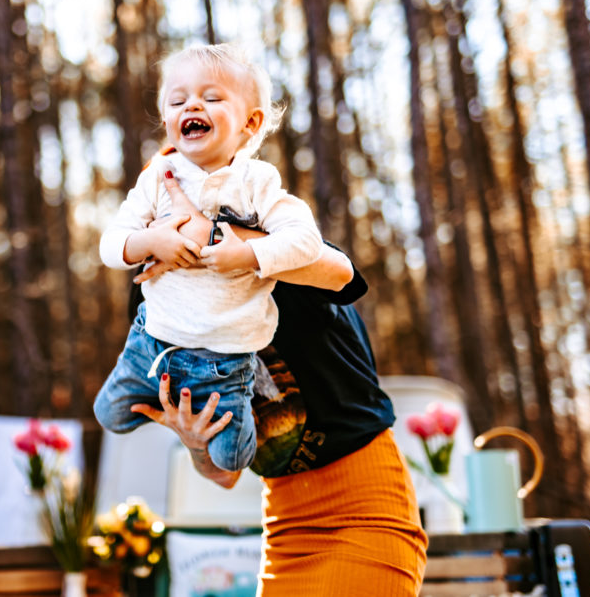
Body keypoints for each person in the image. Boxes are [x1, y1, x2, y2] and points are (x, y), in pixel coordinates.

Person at [129, 174, 429, 596]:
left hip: (365, 508)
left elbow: (343, 276)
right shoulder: (155, 305)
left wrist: (219, 239)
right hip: (285, 525)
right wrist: (198, 444)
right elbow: (224, 475)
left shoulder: (275, 245)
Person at [94, 43, 325, 472]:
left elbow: (306, 241)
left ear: (250, 123)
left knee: (232, 457)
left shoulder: (257, 182)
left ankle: (248, 406)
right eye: (178, 100)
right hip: (153, 340)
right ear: (166, 120)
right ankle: (173, 402)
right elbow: (111, 244)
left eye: (212, 98)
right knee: (108, 415)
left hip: (224, 359)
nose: (192, 105)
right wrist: (151, 243)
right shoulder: (158, 178)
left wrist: (246, 254)